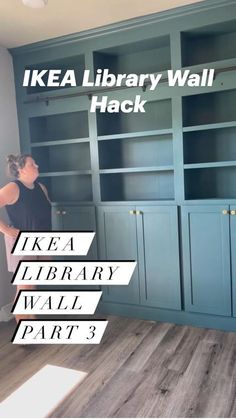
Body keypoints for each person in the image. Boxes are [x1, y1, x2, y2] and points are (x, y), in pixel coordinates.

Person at [0, 154, 51, 323]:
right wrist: (6, 230)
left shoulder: (40, 187)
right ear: (21, 170)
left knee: (33, 282)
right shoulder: (13, 188)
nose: (36, 165)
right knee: (24, 286)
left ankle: (31, 320)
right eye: (32, 164)